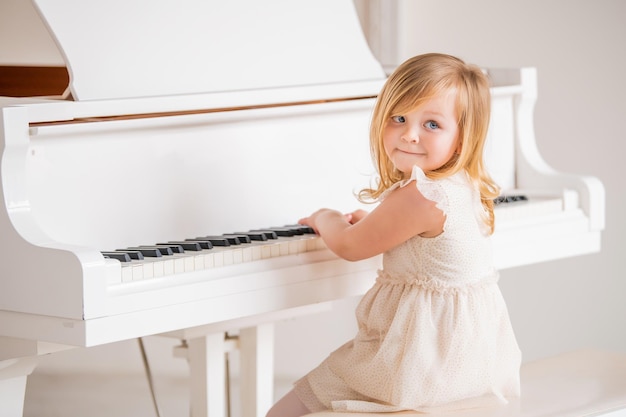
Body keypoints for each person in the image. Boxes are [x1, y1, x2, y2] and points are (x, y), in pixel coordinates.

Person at [265, 53, 521, 417]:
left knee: (281, 414)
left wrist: (326, 217)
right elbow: (418, 237)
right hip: (467, 361)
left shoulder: (421, 195)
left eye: (431, 124)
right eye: (398, 118)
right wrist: (376, 221)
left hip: (416, 366)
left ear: (463, 137)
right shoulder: (459, 184)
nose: (409, 134)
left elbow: (351, 246)